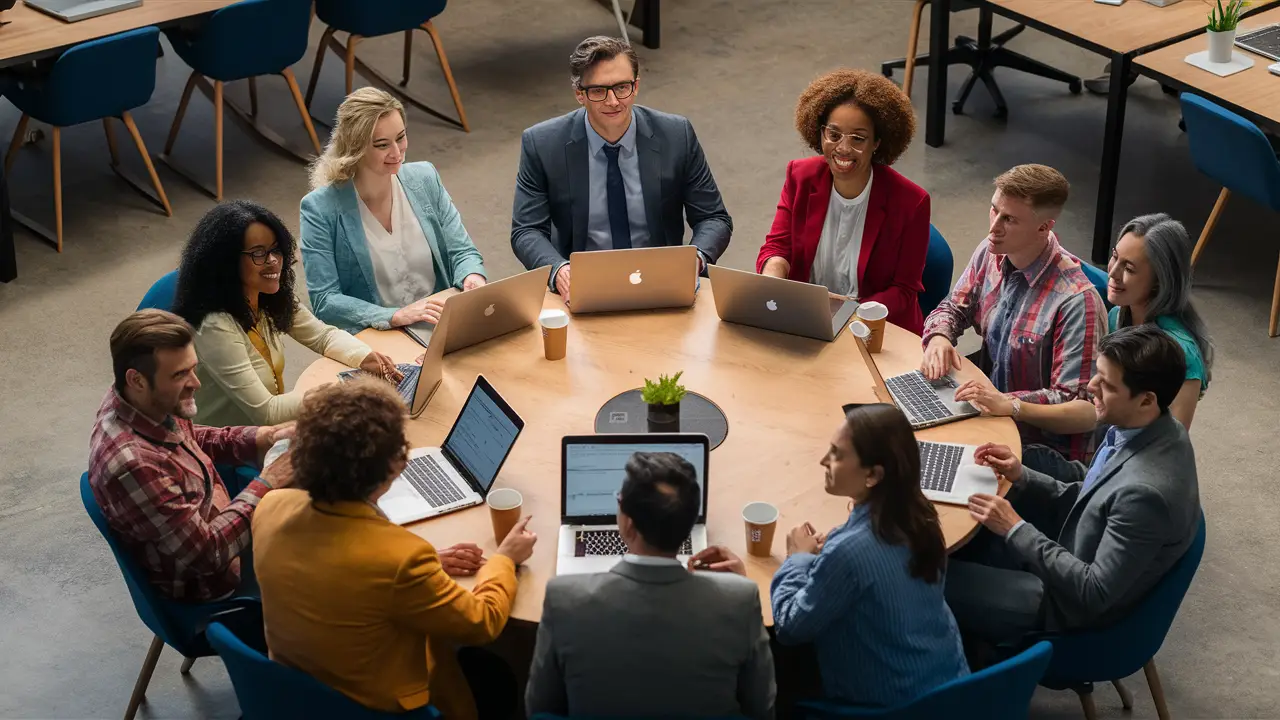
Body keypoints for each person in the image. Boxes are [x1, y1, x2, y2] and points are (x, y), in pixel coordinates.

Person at [252, 380, 537, 720]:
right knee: (496, 675)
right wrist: (505, 559)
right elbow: (483, 622)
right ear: (394, 465)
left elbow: (345, 572)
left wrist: (427, 568)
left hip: (302, 694)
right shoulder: (400, 558)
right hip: (380, 706)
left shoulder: (271, 506)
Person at [945, 326, 1202, 645]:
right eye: (1097, 373)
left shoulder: (1146, 494)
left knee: (922, 581)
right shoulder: (1151, 426)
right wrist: (1021, 475)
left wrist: (1015, 527)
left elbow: (1093, 591)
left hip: (1065, 605)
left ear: (1146, 401)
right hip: (1070, 549)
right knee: (948, 549)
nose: (1091, 387)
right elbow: (1096, 495)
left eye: (1106, 384)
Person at [698, 404, 968, 708]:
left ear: (873, 475)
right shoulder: (921, 516)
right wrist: (838, 541)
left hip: (891, 704)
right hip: (947, 683)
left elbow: (789, 626)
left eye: (837, 454)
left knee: (767, 655)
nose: (823, 460)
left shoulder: (850, 553)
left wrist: (798, 558)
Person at [526, 452, 775, 718]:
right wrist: (737, 594)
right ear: (690, 523)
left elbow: (539, 708)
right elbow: (761, 708)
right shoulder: (741, 598)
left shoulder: (563, 598)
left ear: (628, 523)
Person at [88, 310, 294, 601]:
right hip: (217, 586)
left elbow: (187, 437)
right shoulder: (132, 465)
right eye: (180, 374)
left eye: (193, 368)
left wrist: (263, 436)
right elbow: (210, 554)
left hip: (220, 526)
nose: (196, 383)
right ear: (136, 380)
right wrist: (268, 482)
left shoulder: (139, 400)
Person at [510, 36, 733, 303]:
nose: (613, 101)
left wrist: (694, 260)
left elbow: (713, 218)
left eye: (622, 87)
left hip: (661, 282)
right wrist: (560, 271)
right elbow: (526, 230)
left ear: (636, 86)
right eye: (598, 91)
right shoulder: (542, 144)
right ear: (579, 94)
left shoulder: (676, 135)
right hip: (582, 283)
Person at [951, 213, 1214, 436]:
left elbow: (1169, 444)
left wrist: (1016, 406)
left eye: (1130, 269)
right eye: (1115, 257)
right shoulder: (1117, 315)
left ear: (1161, 280)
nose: (1112, 273)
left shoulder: (1183, 354)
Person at [921, 164, 1106, 462]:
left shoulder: (1076, 302)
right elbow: (954, 307)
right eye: (994, 210)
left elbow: (1080, 406)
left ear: (1044, 227)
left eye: (1008, 219)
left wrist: (1008, 404)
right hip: (990, 413)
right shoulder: (991, 251)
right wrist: (940, 337)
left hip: (1040, 448)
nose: (993, 227)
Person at [172, 201, 400, 427]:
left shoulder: (266, 296)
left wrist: (364, 356)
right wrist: (347, 391)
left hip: (270, 428)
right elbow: (267, 412)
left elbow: (322, 336)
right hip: (232, 446)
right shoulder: (215, 325)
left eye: (275, 249)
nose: (273, 261)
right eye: (258, 253)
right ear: (226, 263)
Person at [300, 87, 488, 334]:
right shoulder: (319, 209)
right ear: (355, 148)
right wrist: (394, 316)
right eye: (381, 145)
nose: (397, 153)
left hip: (441, 324)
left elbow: (462, 251)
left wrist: (472, 276)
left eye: (401, 137)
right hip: (380, 336)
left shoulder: (425, 178)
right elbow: (325, 300)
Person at [757, 69, 931, 334]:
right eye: (834, 134)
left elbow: (904, 291)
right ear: (821, 132)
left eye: (858, 138)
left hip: (872, 328)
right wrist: (773, 278)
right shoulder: (800, 176)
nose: (843, 149)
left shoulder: (911, 202)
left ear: (877, 143)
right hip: (807, 320)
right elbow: (778, 247)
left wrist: (849, 314)